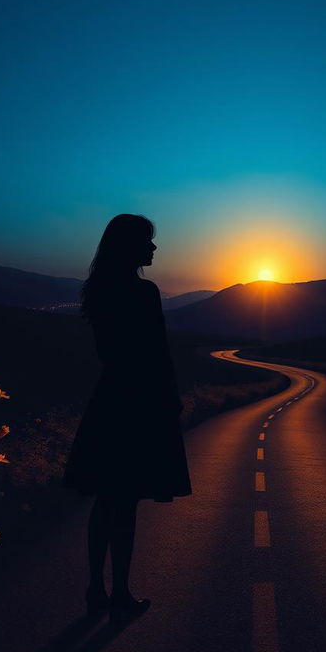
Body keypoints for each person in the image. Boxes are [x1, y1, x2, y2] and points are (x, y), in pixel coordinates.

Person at [62, 213, 193, 625]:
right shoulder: (143, 292)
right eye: (147, 242)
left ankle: (96, 588)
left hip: (111, 398)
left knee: (106, 499)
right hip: (141, 403)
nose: (153, 248)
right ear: (130, 246)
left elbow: (112, 353)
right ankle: (119, 590)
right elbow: (156, 352)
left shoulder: (98, 290)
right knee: (127, 501)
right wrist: (168, 399)